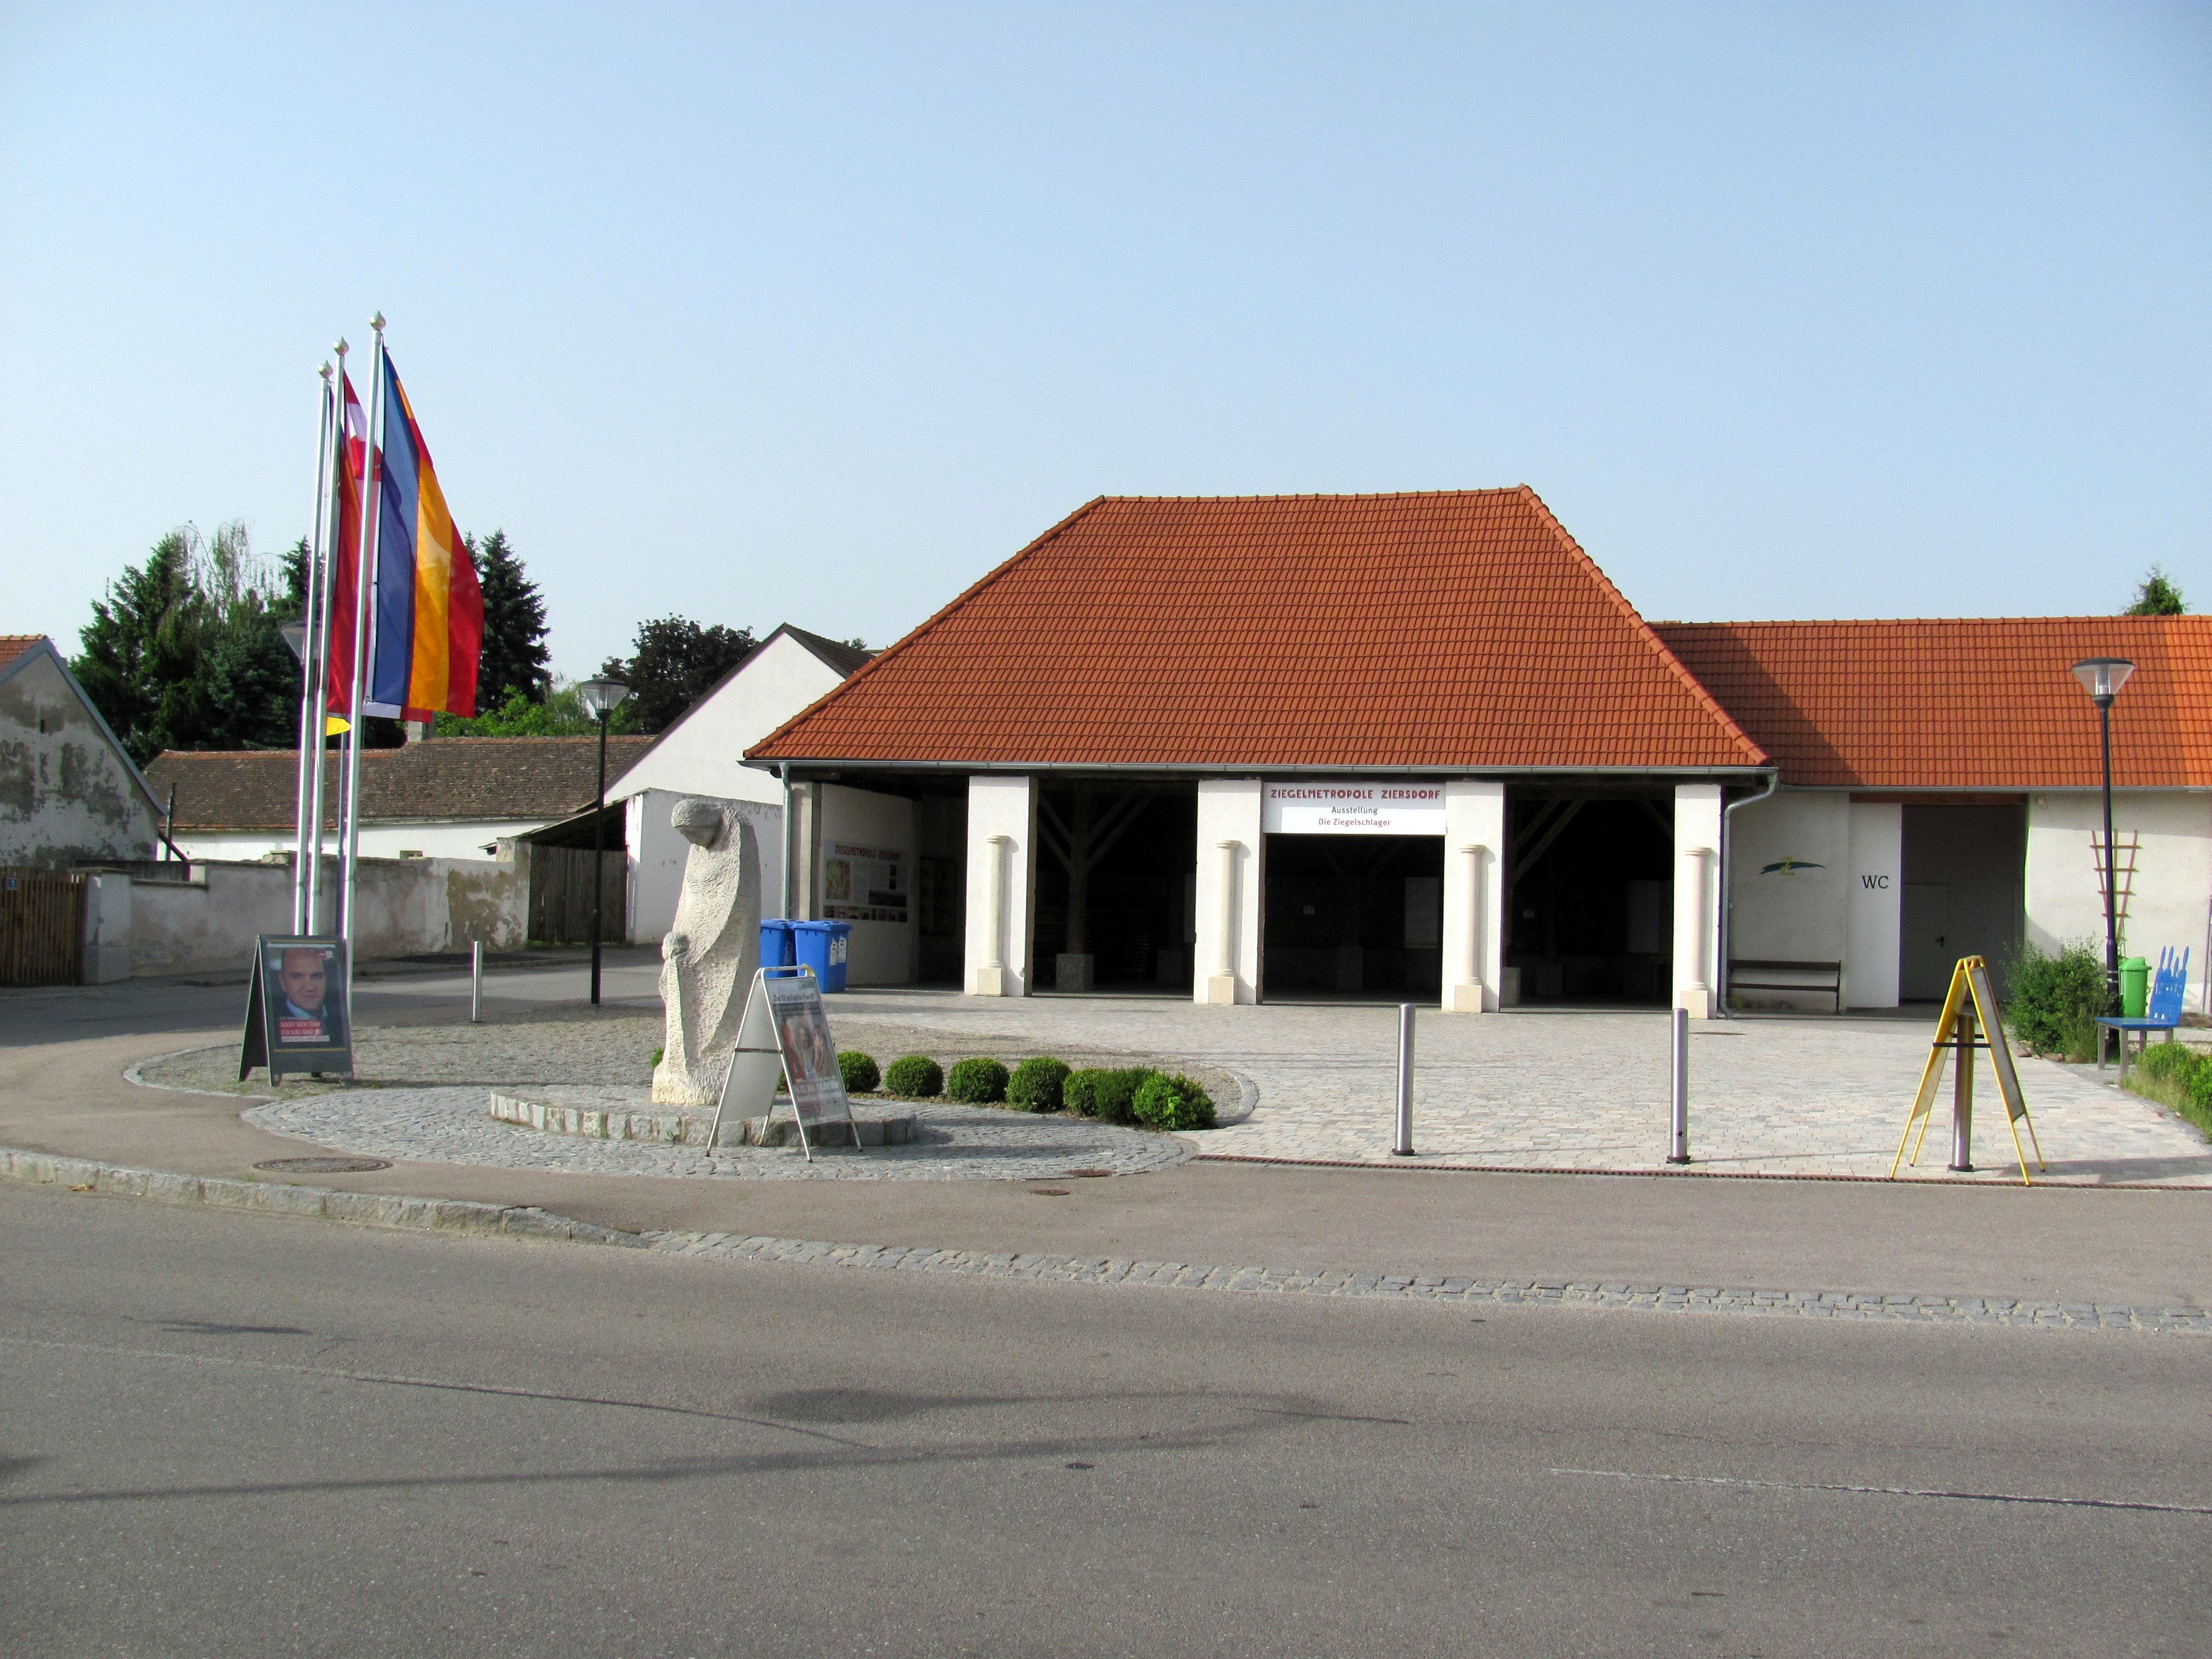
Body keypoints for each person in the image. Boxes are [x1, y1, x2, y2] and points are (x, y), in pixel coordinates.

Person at [273, 946, 345, 1047]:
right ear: (282, 981)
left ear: (326, 979)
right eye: (297, 977)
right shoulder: (271, 1025)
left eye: (317, 976)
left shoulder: (339, 1017)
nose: (309, 988)